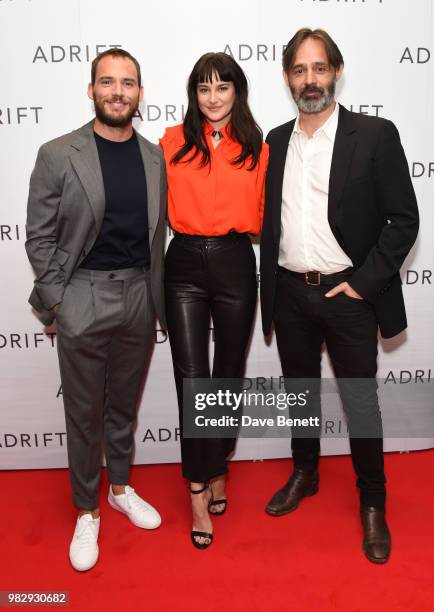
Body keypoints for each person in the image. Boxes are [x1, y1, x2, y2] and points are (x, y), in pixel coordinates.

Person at [260, 28, 418, 563]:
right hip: (289, 291)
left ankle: (372, 502)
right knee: (299, 394)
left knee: (360, 404)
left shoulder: (373, 135)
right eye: (300, 71)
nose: (310, 80)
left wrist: (365, 283)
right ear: (287, 78)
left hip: (347, 294)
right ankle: (305, 473)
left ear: (337, 71)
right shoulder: (275, 141)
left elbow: (404, 220)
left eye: (320, 69)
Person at [25, 49, 167, 571]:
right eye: (107, 82)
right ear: (91, 90)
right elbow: (38, 237)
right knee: (83, 413)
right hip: (81, 294)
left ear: (139, 93)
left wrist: (152, 299)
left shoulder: (154, 156)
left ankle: (120, 488)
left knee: (122, 408)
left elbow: (157, 235)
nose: (117, 92)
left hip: (138, 298)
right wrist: (58, 298)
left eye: (127, 83)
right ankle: (87, 510)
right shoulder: (58, 152)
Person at [160, 52, 268, 549]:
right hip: (182, 263)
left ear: (236, 91)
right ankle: (199, 487)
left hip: (235, 261)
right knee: (193, 379)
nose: (213, 97)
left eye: (222, 87)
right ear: (193, 94)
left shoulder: (257, 146)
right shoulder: (172, 141)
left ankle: (218, 462)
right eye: (204, 88)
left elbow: (271, 214)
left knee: (227, 373)